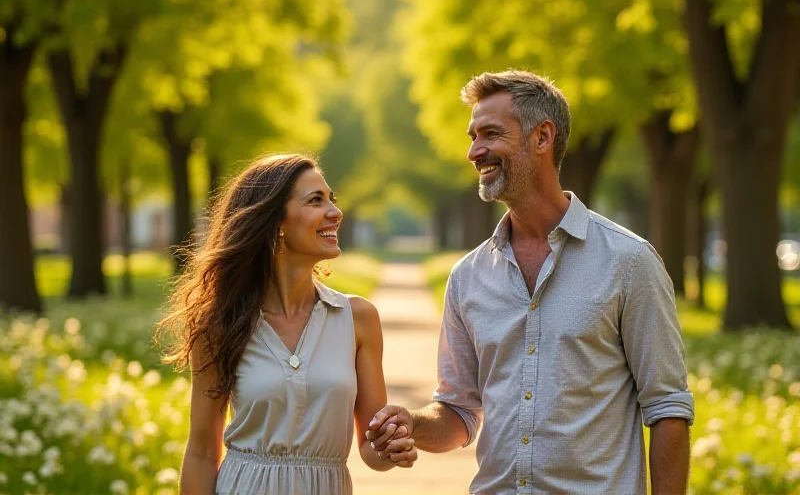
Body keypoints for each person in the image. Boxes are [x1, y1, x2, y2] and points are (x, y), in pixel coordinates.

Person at [367, 70, 694, 495]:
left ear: (542, 138)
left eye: (490, 133)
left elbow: (667, 408)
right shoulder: (467, 277)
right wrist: (413, 423)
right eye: (472, 136)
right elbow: (459, 413)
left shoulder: (629, 262)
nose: (474, 151)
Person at [157, 154, 417, 495]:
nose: (335, 213)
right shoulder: (221, 324)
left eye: (331, 200)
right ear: (275, 221)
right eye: (315, 201)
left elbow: (372, 449)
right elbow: (202, 453)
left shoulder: (359, 319)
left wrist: (391, 445)